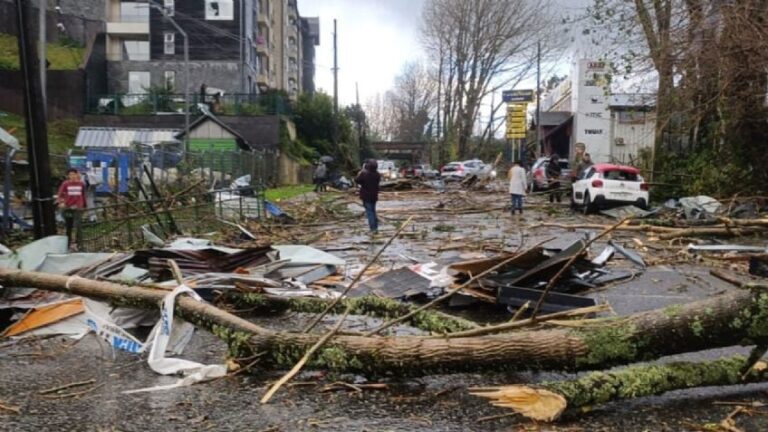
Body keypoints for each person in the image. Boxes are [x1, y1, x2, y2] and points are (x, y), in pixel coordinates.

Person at [57, 168, 87, 249]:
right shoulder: (65, 184)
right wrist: (61, 202)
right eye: (70, 175)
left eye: (74, 174)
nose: (72, 176)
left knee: (78, 226)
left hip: (78, 208)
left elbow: (84, 195)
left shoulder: (81, 184)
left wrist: (84, 206)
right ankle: (67, 244)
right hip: (68, 207)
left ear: (77, 175)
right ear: (68, 176)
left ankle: (80, 244)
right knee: (68, 226)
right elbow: (60, 194)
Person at [355, 159, 381, 233]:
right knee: (373, 211)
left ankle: (373, 229)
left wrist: (359, 174)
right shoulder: (377, 174)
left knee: (370, 213)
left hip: (366, 196)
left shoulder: (364, 174)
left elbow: (357, 180)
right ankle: (375, 228)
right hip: (374, 196)